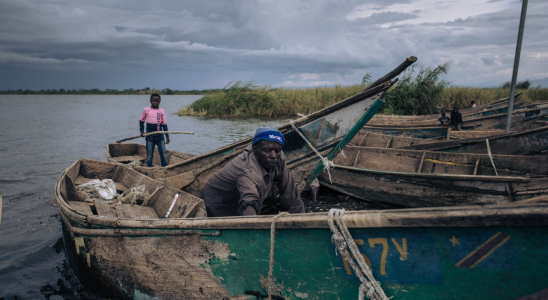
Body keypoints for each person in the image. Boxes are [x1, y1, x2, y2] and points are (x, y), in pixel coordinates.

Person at [200, 127, 305, 217]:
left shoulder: (279, 157)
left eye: (277, 150)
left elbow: (289, 190)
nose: (273, 155)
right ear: (255, 149)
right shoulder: (247, 169)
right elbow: (250, 201)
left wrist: (301, 219)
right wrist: (253, 230)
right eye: (267, 150)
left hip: (238, 197)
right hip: (217, 201)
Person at [139, 93, 170, 167]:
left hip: (160, 136)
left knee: (163, 154)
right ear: (150, 101)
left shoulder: (161, 111)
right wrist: (142, 131)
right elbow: (141, 121)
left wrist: (167, 136)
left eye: (157, 101)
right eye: (154, 101)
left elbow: (164, 124)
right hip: (150, 136)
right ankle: (150, 169)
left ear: (159, 102)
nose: (155, 102)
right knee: (149, 155)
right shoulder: (146, 110)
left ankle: (164, 169)